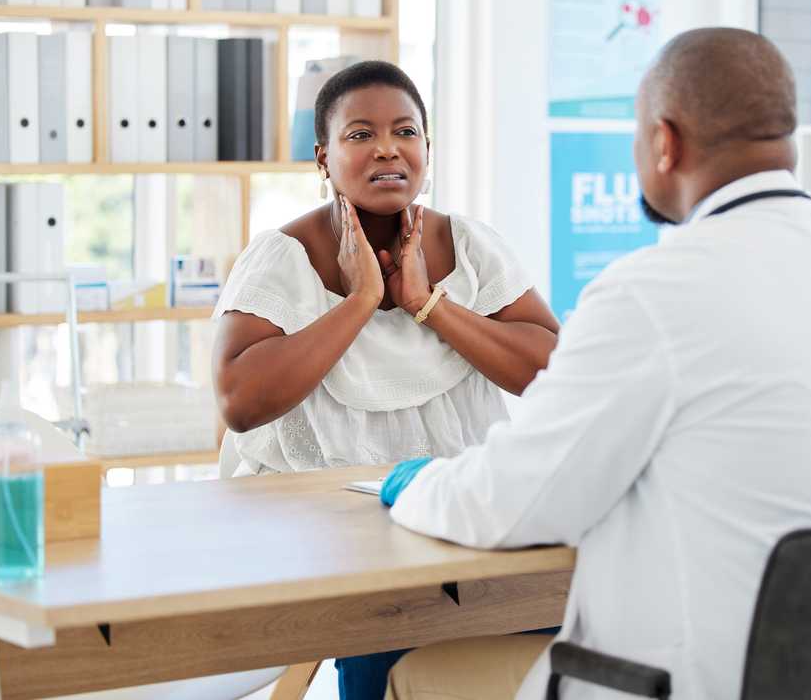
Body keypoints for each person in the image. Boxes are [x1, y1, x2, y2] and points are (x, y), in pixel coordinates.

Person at [376, 28, 811, 699]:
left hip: (701, 684)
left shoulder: (653, 290)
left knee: (418, 676)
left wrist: (413, 484)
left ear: (665, 142)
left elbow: (509, 502)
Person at [210, 61, 560, 699]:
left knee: (554, 606)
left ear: (428, 147)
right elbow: (240, 401)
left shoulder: (470, 246)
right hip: (322, 528)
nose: (387, 149)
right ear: (323, 157)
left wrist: (429, 304)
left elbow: (548, 369)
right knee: (390, 618)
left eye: (405, 132)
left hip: (453, 513)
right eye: (360, 135)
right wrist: (360, 301)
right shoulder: (282, 255)